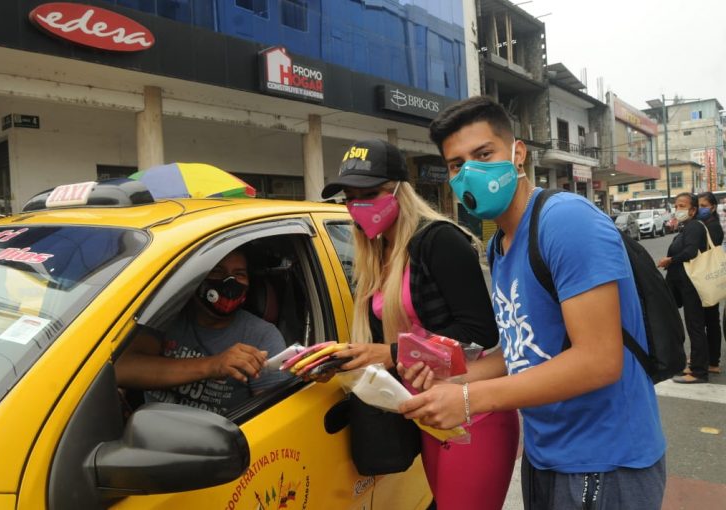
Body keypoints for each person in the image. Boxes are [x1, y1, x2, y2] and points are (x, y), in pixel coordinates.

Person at [399, 96, 666, 510]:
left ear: (517, 153)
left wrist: (469, 401)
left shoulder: (564, 222)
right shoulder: (500, 246)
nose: (470, 172)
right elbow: (523, 350)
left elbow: (599, 359)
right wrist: (456, 383)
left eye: (483, 154)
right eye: (456, 165)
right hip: (546, 457)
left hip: (603, 462)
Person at [320, 139, 519, 510]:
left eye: (370, 193)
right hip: (427, 411)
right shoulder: (375, 252)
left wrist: (393, 353)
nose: (358, 204)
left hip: (472, 410)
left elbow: (480, 335)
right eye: (350, 196)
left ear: (399, 190)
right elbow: (383, 342)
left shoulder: (439, 241)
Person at [115, 249, 290, 413]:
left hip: (218, 442)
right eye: (217, 272)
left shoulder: (263, 336)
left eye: (239, 274)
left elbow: (275, 414)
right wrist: (213, 365)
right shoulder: (168, 317)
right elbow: (122, 369)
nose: (229, 282)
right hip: (147, 435)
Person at [656, 193, 711, 383]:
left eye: (682, 206)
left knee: (695, 325)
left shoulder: (694, 226)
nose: (677, 209)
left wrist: (669, 260)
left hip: (691, 285)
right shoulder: (686, 227)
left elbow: (690, 251)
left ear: (693, 210)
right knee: (686, 323)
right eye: (676, 205)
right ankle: (691, 363)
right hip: (681, 285)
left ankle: (699, 371)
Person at [697, 192, 723, 375]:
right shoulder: (705, 223)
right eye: (698, 205)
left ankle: (713, 360)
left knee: (711, 320)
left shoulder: (713, 226)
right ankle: (706, 356)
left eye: (704, 205)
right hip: (705, 277)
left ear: (712, 207)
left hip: (709, 277)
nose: (700, 208)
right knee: (706, 319)